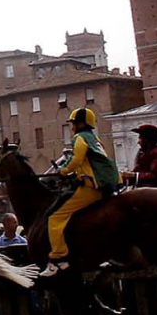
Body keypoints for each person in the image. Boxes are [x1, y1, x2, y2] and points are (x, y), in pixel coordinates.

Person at [42, 107, 119, 278]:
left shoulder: (79, 138)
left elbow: (76, 160)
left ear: (81, 123)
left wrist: (62, 171)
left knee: (55, 216)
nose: (72, 127)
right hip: (105, 186)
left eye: (73, 123)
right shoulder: (95, 139)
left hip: (91, 188)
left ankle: (57, 259)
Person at [121, 124, 157, 188]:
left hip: (153, 195)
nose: (138, 142)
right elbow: (135, 175)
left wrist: (134, 175)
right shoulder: (145, 155)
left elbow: (156, 178)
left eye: (140, 138)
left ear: (147, 139)